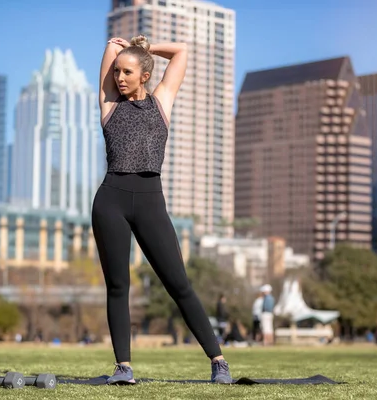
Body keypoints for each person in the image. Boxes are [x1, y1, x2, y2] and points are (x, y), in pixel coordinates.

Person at [93, 35, 232, 384]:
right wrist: (118, 46)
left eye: (127, 72)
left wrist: (145, 48)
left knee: (179, 284)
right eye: (117, 71)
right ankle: (123, 367)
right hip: (111, 201)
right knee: (117, 285)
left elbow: (183, 51)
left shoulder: (161, 102)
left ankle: (218, 361)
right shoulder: (109, 104)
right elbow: (110, 51)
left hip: (151, 202)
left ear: (145, 75)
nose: (119, 77)